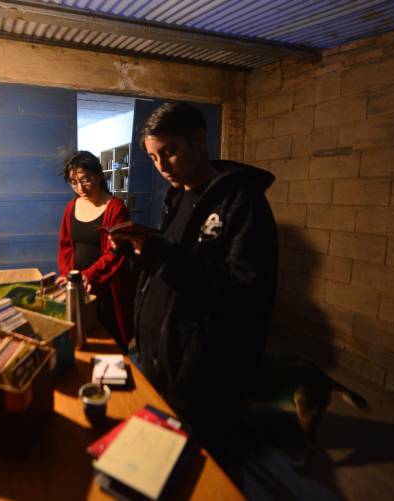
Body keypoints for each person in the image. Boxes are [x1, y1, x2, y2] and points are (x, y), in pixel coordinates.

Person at [109, 103, 278, 447]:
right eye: (154, 158)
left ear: (199, 139)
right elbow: (174, 268)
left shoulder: (242, 202)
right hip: (160, 358)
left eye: (170, 152)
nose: (162, 167)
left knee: (205, 463)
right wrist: (135, 254)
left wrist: (157, 252)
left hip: (202, 369)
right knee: (160, 452)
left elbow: (240, 293)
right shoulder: (177, 196)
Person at [57, 151, 136, 351]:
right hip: (79, 288)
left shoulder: (116, 208)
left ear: (99, 175)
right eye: (73, 182)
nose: (80, 188)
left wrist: (88, 276)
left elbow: (115, 253)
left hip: (106, 288)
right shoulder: (71, 206)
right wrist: (70, 276)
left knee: (108, 342)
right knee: (81, 339)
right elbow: (65, 245)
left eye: (86, 180)